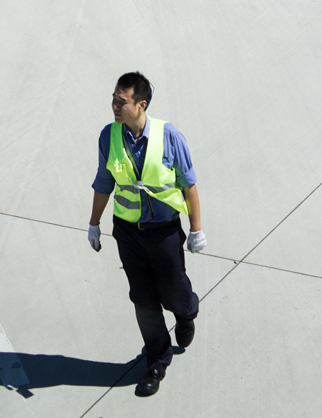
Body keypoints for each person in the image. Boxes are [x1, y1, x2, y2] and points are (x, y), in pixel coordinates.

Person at [88, 72, 207, 396]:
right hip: (127, 232)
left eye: (121, 101)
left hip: (164, 232)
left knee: (173, 291)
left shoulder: (170, 136)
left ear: (141, 105)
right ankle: (157, 359)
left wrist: (196, 229)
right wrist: (94, 223)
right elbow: (104, 182)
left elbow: (188, 184)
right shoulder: (108, 136)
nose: (114, 105)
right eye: (114, 98)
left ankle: (185, 313)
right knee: (142, 298)